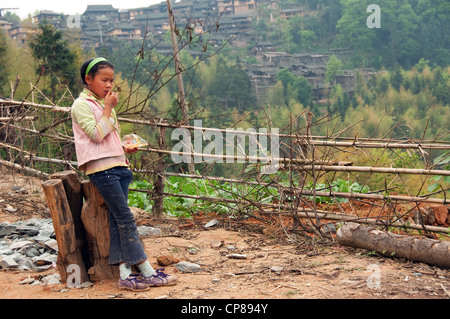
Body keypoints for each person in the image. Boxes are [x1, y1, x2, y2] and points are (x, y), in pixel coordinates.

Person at [71, 57, 177, 291]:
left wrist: (123, 146)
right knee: (126, 218)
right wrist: (108, 108)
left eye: (111, 80)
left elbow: (108, 137)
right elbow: (96, 135)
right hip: (102, 170)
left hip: (119, 166)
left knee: (118, 221)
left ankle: (125, 273)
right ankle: (147, 271)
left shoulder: (102, 104)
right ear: (89, 80)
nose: (109, 85)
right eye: (104, 80)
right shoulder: (82, 105)